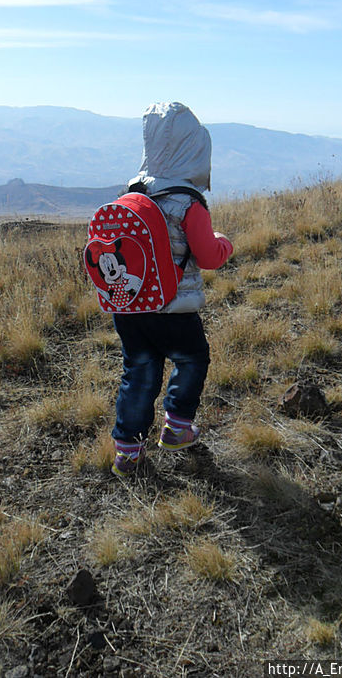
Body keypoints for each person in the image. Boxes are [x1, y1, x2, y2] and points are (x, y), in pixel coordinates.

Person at [111, 101, 233, 478]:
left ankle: (128, 452)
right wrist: (224, 242)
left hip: (130, 307)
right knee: (192, 358)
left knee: (139, 371)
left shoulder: (131, 194)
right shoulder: (189, 203)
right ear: (194, 150)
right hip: (173, 308)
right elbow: (209, 256)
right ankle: (178, 426)